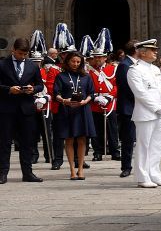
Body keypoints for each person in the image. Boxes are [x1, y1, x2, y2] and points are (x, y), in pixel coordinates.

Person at [127, 38, 161, 189]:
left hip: (159, 112)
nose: (155, 52)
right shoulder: (134, 70)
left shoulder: (155, 69)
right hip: (145, 113)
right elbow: (141, 93)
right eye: (152, 50)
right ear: (143, 53)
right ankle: (142, 176)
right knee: (143, 145)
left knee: (156, 145)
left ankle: (155, 174)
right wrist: (157, 109)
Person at [0, 38, 43, 184]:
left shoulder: (32, 66)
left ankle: (28, 172)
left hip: (26, 109)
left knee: (27, 142)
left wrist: (33, 89)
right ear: (13, 50)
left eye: (25, 54)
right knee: (5, 142)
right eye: (19, 54)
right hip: (7, 109)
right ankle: (3, 173)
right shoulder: (2, 64)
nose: (22, 57)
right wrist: (9, 90)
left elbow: (40, 85)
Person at [53, 50, 95, 181]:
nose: (75, 64)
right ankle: (72, 169)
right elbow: (56, 93)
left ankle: (81, 168)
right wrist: (64, 100)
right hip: (67, 110)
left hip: (82, 110)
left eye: (78, 62)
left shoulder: (86, 76)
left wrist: (85, 101)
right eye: (73, 61)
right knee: (69, 139)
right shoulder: (61, 76)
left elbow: (91, 93)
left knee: (82, 139)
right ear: (67, 61)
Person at [87, 48, 118, 163]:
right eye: (95, 57)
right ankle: (98, 152)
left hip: (109, 103)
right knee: (96, 129)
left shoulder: (112, 69)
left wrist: (110, 97)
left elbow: (116, 85)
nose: (97, 59)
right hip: (96, 103)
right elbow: (87, 86)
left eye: (100, 57)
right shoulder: (90, 71)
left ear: (105, 58)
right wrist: (95, 97)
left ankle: (115, 151)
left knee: (112, 129)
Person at [114, 40, 137, 177]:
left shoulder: (136, 64)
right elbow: (125, 86)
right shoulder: (124, 65)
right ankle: (126, 166)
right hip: (129, 106)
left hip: (138, 106)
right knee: (128, 138)